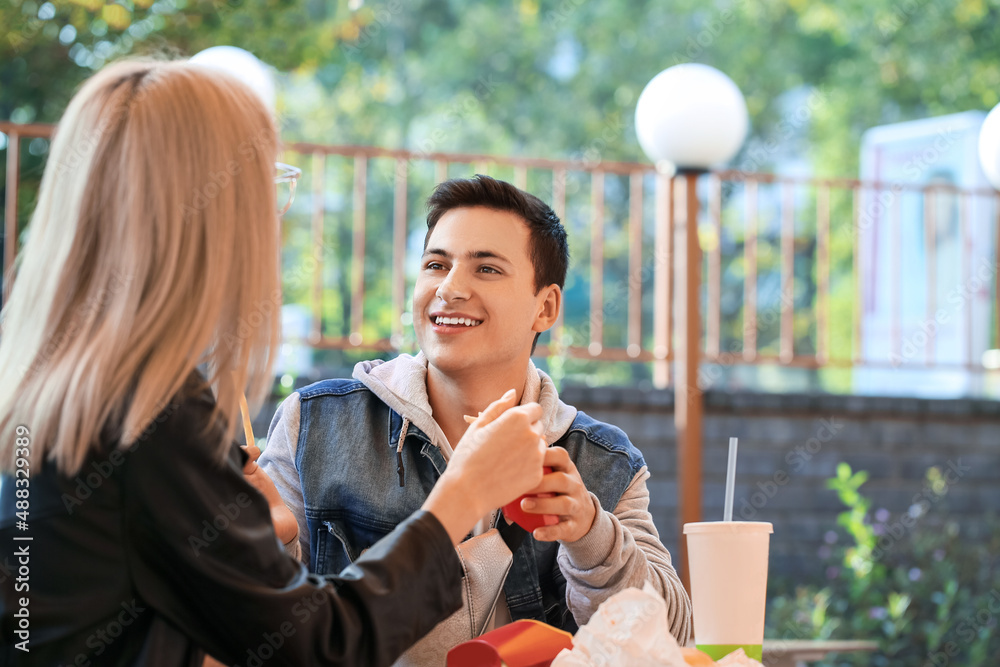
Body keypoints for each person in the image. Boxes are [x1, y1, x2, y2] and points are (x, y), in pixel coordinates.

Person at [0, 60, 550, 667]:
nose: (274, 217)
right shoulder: (151, 412)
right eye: (261, 183)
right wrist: (464, 494)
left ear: (543, 308)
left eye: (488, 267)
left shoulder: (59, 386)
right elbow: (310, 645)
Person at [259, 175, 693, 665]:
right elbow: (261, 628)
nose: (449, 288)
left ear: (545, 307)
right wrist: (280, 546)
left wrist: (592, 535)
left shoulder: (601, 461)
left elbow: (674, 640)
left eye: (486, 268)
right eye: (435, 264)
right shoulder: (312, 423)